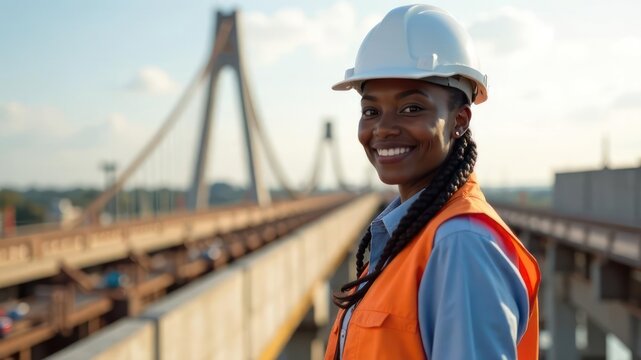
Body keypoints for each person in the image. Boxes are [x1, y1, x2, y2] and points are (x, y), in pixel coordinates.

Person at [324, 4, 541, 360]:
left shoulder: (461, 245)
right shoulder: (409, 235)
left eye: (412, 108)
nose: (384, 128)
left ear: (459, 120)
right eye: (370, 111)